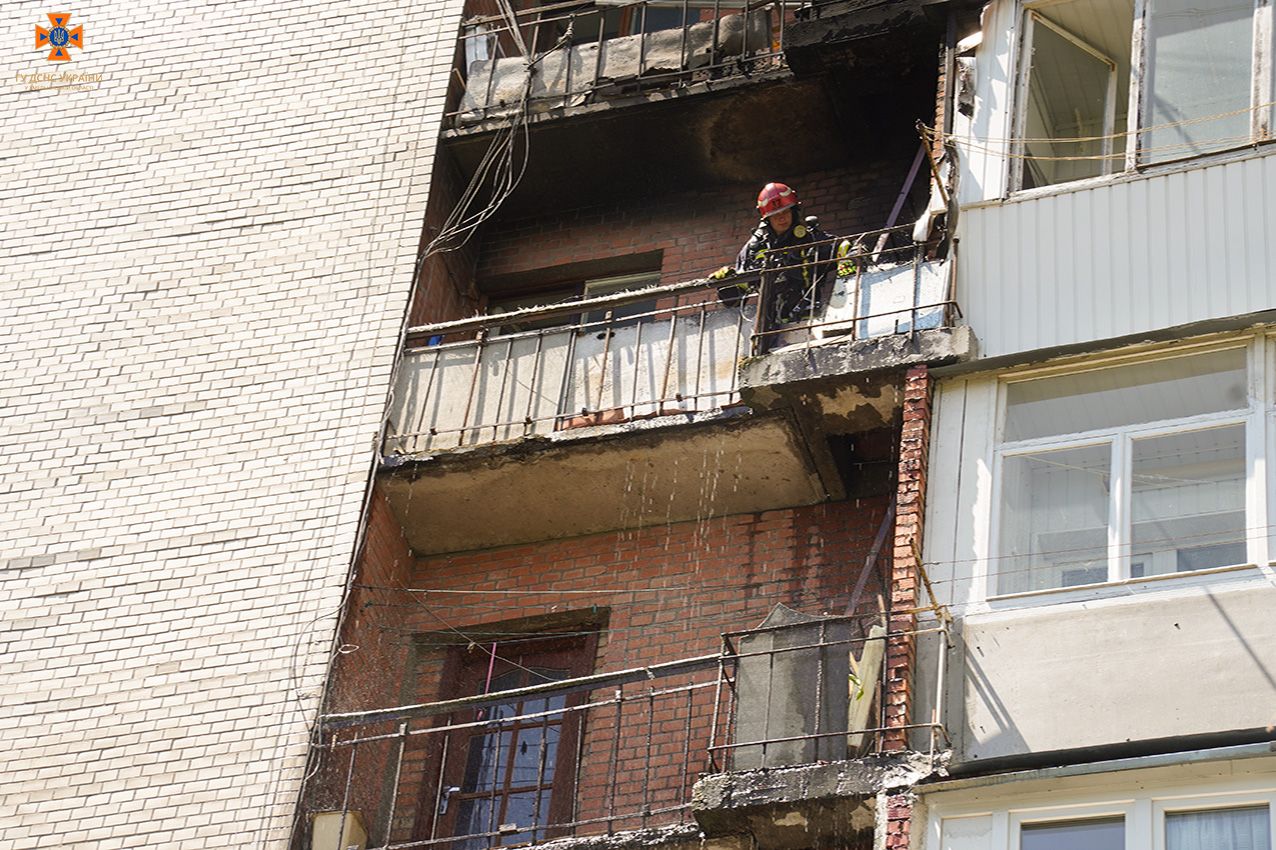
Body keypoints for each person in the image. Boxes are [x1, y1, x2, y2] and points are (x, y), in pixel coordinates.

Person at [713, 182, 836, 341]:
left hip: (808, 320)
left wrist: (853, 257)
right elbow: (736, 298)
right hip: (768, 328)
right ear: (767, 218)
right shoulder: (754, 249)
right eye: (776, 214)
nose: (782, 217)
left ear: (794, 211)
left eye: (785, 211)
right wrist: (726, 283)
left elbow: (842, 248)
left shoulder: (810, 239)